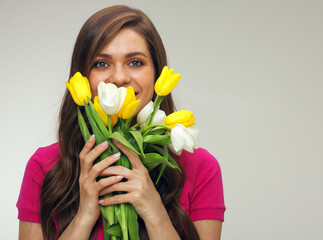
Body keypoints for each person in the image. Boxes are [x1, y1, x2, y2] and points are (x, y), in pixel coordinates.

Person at [17, 5, 225, 240]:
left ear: (157, 73)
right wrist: (85, 215)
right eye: (102, 64)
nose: (119, 78)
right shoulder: (45, 167)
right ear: (83, 76)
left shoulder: (201, 168)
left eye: (135, 62)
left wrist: (154, 212)